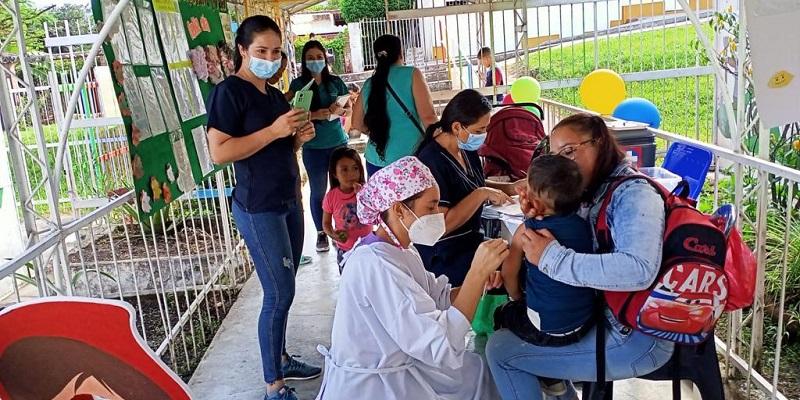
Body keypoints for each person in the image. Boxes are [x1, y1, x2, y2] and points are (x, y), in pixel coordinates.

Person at [485, 113, 674, 400]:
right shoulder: (592, 189)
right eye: (557, 154)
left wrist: (551, 257)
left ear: (600, 144)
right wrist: (541, 212)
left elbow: (638, 268)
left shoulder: (633, 193)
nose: (564, 163)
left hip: (636, 335)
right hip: (605, 316)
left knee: (501, 351)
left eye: (570, 151)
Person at [315, 156, 506, 400]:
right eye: (431, 207)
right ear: (398, 209)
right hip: (375, 386)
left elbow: (437, 299)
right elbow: (439, 342)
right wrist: (476, 273)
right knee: (477, 377)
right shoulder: (376, 263)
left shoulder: (402, 249)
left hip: (399, 367)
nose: (438, 214)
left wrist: (476, 284)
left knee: (477, 373)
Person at [205, 15, 321, 400]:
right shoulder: (229, 93)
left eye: (275, 52)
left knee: (286, 289)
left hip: (288, 198)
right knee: (278, 292)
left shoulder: (274, 95)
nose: (269, 59)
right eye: (260, 51)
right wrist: (273, 131)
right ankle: (274, 386)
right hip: (258, 207)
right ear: (242, 50)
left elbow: (278, 149)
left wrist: (297, 138)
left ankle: (281, 357)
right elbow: (220, 152)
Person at [495, 155, 595, 398]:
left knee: (503, 316)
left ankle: (546, 375)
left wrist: (517, 297)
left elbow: (509, 273)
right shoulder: (585, 224)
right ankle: (557, 380)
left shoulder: (528, 231)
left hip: (547, 329)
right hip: (586, 322)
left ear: (536, 204)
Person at [415, 89, 519, 286]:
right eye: (479, 130)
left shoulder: (465, 148)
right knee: (509, 271)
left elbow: (470, 184)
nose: (484, 135)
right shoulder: (431, 161)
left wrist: (512, 188)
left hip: (471, 240)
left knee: (516, 256)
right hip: (445, 252)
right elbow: (441, 225)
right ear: (457, 127)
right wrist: (482, 194)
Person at [289, 40, 351, 253]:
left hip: (338, 143)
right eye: (310, 58)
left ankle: (343, 228)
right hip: (313, 146)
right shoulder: (298, 86)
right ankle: (322, 233)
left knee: (342, 189)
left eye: (319, 57)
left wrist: (339, 111)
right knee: (318, 191)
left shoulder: (335, 82)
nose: (315, 62)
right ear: (303, 62)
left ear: (325, 59)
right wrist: (315, 115)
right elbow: (294, 116)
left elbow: (348, 108)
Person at [351, 34, 438, 177]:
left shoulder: (369, 84)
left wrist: (378, 133)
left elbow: (356, 123)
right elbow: (429, 117)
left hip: (376, 161)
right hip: (411, 159)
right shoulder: (412, 74)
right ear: (401, 53)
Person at [322, 147, 371, 272]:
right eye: (344, 169)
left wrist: (362, 196)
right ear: (334, 173)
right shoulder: (331, 197)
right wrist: (333, 234)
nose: (351, 174)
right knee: (349, 282)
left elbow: (375, 213)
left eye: (355, 168)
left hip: (368, 247)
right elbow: (326, 223)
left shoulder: (366, 191)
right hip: (346, 250)